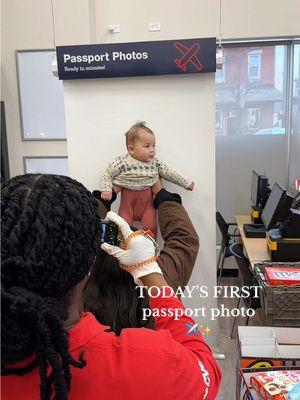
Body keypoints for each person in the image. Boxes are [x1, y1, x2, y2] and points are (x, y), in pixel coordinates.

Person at [1, 174, 221, 400]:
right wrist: (150, 272)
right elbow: (207, 372)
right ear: (86, 263)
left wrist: (105, 198)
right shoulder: (153, 361)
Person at [86, 180, 199, 334]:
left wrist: (104, 198)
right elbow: (184, 239)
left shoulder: (80, 299)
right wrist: (163, 196)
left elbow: (76, 232)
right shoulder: (164, 278)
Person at [100, 122, 194, 236]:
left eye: (154, 146)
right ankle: (124, 250)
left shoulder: (155, 164)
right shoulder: (122, 163)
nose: (152, 150)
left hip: (147, 207)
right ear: (131, 149)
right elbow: (107, 174)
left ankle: (151, 251)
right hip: (127, 207)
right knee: (122, 229)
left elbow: (170, 173)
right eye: (147, 146)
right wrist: (106, 189)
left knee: (151, 229)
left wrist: (186, 183)